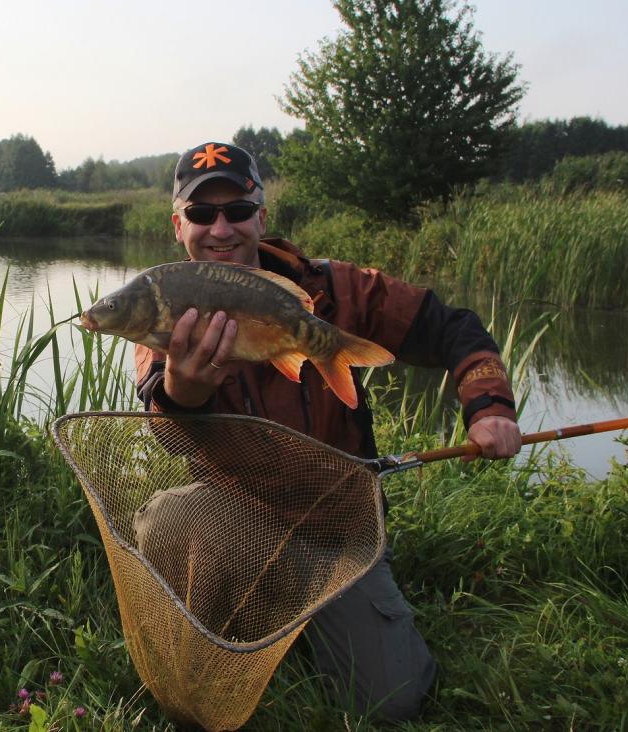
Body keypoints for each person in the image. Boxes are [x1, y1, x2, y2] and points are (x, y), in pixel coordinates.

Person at [134, 141, 522, 722]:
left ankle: (320, 612)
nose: (221, 228)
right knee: (169, 520)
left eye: (237, 211)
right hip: (236, 514)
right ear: (177, 225)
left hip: (338, 525)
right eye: (201, 213)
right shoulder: (166, 306)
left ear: (261, 217)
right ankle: (257, 611)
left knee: (392, 701)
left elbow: (453, 328)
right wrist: (184, 396)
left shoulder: (336, 290)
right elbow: (166, 425)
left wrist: (489, 406)